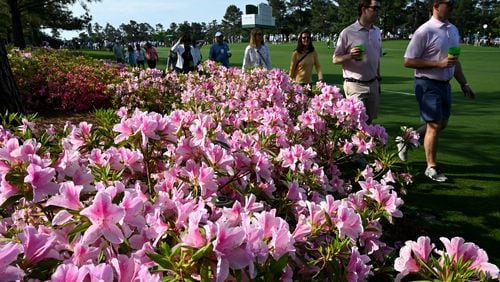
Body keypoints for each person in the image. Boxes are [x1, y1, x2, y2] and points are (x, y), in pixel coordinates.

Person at [402, 0, 475, 182]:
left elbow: (454, 61)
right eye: (449, 3)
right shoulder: (424, 31)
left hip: (445, 84)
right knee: (434, 125)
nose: (452, 7)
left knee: (442, 123)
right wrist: (438, 64)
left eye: (454, 3)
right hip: (427, 83)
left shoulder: (453, 30)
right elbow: (408, 61)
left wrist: (464, 84)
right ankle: (431, 167)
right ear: (436, 5)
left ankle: (407, 139)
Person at [332, 0, 382, 124]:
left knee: (369, 122)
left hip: (373, 84)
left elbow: (377, 58)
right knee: (356, 123)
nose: (377, 12)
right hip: (355, 85)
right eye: (375, 8)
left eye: (378, 9)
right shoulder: (348, 32)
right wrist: (350, 56)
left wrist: (378, 80)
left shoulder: (377, 31)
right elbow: (335, 59)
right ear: (364, 9)